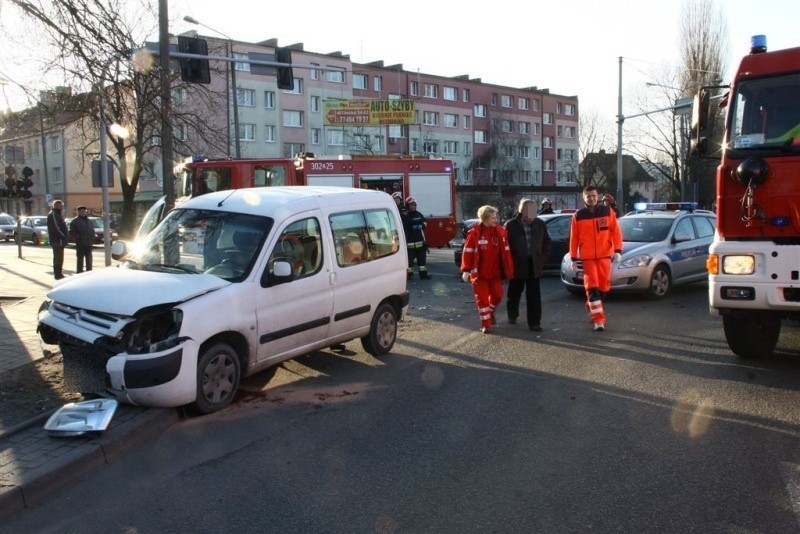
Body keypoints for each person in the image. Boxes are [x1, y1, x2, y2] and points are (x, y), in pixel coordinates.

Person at [568, 186, 623, 332]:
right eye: (588, 196)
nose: (591, 198)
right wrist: (573, 257)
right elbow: (574, 238)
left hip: (605, 256)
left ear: (597, 196)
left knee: (604, 288)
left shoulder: (607, 211)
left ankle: (591, 305)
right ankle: (598, 320)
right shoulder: (578, 215)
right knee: (592, 287)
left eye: (593, 195)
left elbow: (616, 232)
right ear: (583, 198)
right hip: (588, 258)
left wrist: (617, 250)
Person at [460, 205, 514, 334]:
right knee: (482, 300)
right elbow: (468, 252)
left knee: (497, 296)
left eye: (496, 217)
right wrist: (466, 269)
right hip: (479, 274)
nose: (495, 220)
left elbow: (506, 253)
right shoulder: (475, 233)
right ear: (484, 218)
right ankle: (486, 324)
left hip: (495, 273)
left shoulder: (500, 232)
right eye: (493, 218)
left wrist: (509, 269)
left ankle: (489, 313)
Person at [504, 199, 551, 331]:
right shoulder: (511, 225)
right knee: (514, 292)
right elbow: (504, 245)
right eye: (528, 209)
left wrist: (542, 258)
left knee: (534, 295)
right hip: (517, 264)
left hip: (534, 264)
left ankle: (534, 322)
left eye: (533, 210)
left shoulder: (540, 224)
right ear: (521, 210)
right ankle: (512, 314)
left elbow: (547, 241)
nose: (531, 213)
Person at [403, 196, 430, 279]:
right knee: (409, 263)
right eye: (411, 205)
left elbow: (425, 223)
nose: (413, 206)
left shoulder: (419, 214)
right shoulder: (406, 216)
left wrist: (421, 225)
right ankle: (409, 275)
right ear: (408, 206)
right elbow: (404, 226)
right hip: (410, 244)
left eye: (414, 205)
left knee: (422, 262)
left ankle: (423, 275)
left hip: (420, 243)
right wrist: (412, 227)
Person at [46, 199, 69, 280]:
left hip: (60, 240)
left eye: (61, 206)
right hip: (57, 240)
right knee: (57, 258)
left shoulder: (58, 214)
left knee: (60, 258)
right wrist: (63, 236)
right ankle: (57, 274)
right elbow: (56, 227)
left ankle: (59, 273)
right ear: (55, 206)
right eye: (59, 206)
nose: (61, 207)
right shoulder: (53, 214)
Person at [69, 205, 94, 273]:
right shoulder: (74, 221)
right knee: (80, 260)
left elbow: (92, 231)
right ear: (78, 212)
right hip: (80, 244)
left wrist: (92, 240)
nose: (83, 213)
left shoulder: (89, 221)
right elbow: (72, 232)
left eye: (85, 211)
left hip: (89, 244)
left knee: (89, 260)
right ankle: (79, 272)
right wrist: (78, 239)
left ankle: (89, 272)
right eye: (81, 211)